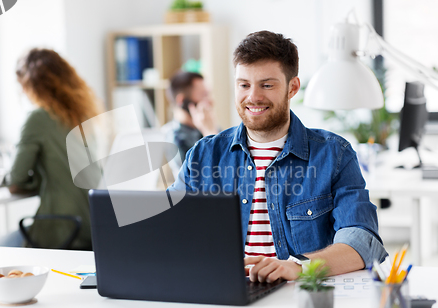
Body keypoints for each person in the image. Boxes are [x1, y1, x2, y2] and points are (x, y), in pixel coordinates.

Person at [170, 31, 388, 283]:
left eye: (267, 85)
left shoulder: (334, 154)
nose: (253, 96)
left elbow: (362, 239)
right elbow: (170, 226)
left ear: (292, 87)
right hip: (221, 292)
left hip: (301, 298)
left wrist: (300, 267)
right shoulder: (203, 155)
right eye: (244, 85)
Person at [8, 48, 104, 250]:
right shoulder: (83, 115)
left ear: (31, 85)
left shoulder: (39, 118)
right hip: (95, 224)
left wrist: (32, 177)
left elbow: (16, 180)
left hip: (63, 228)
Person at [164, 71, 219, 166]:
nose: (210, 101)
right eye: (204, 95)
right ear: (182, 101)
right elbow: (218, 170)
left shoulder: (205, 126)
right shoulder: (175, 138)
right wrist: (210, 132)